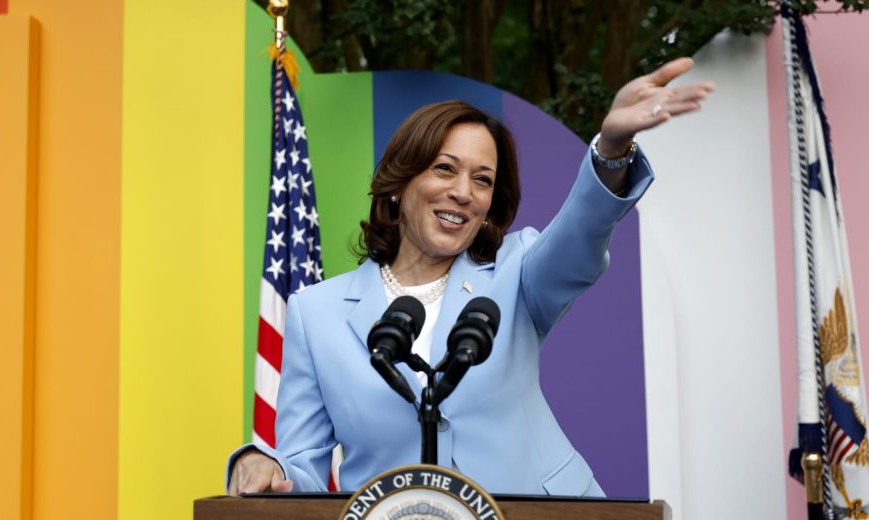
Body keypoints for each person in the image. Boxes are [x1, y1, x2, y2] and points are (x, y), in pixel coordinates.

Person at [228, 57, 714, 496]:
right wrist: (265, 465)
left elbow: (577, 236)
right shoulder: (316, 313)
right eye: (445, 169)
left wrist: (611, 149)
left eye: (482, 179)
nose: (464, 192)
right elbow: (303, 471)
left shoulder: (516, 270)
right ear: (400, 182)